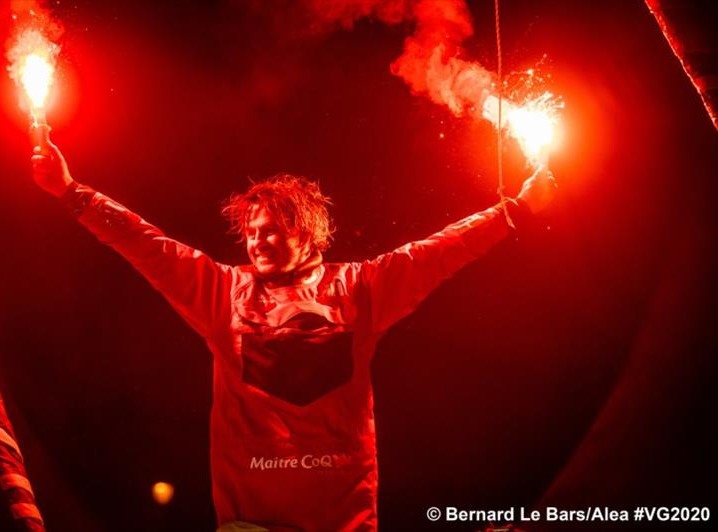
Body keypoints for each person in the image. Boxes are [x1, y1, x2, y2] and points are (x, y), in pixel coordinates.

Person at [31, 135, 555, 532]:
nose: (257, 242)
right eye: (251, 232)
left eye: (272, 230)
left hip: (342, 522)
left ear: (306, 232)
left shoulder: (362, 288)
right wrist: (71, 193)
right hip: (250, 526)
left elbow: (440, 252)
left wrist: (514, 210)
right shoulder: (221, 292)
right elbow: (145, 244)